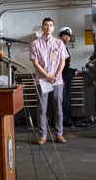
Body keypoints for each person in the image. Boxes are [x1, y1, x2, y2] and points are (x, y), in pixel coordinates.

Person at [29, 17, 69, 145]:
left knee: (58, 108)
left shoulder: (59, 43)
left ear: (53, 27)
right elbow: (35, 63)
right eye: (46, 25)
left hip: (57, 81)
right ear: (42, 27)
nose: (48, 27)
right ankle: (43, 135)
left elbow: (63, 60)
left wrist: (56, 75)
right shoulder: (35, 44)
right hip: (42, 80)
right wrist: (47, 75)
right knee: (42, 109)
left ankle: (59, 134)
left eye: (50, 25)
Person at [58, 26, 77, 123]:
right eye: (65, 36)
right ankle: (60, 122)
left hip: (67, 77)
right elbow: (57, 65)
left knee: (67, 100)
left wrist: (74, 71)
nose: (67, 38)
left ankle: (67, 120)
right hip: (61, 78)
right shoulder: (57, 48)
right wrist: (60, 78)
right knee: (61, 101)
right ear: (60, 37)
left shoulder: (64, 48)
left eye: (68, 36)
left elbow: (66, 66)